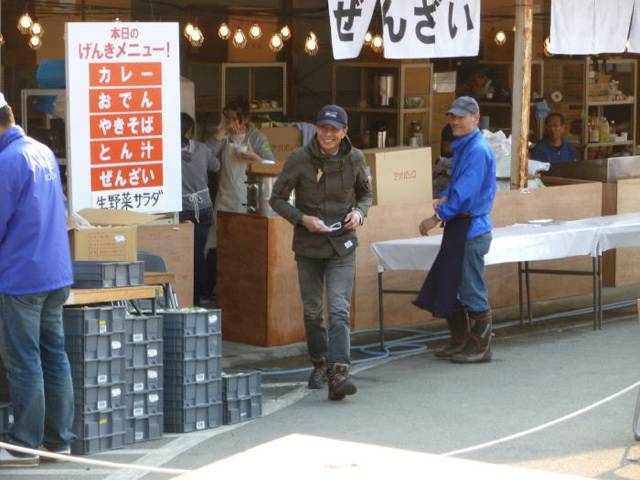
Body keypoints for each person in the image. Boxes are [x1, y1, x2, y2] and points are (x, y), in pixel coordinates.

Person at [269, 105, 372, 400]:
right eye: (323, 128)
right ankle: (320, 363)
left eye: (334, 129)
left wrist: (359, 213)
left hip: (343, 244)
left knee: (338, 309)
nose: (328, 134)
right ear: (316, 129)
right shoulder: (300, 159)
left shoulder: (355, 158)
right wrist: (302, 219)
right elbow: (277, 198)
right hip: (309, 245)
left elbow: (366, 194)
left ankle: (339, 373)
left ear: (344, 132)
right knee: (313, 312)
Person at [0, 94, 75, 466]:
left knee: (24, 359)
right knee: (54, 355)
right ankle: (58, 441)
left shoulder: (6, 162)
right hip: (54, 271)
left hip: (21, 276)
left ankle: (24, 443)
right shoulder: (41, 152)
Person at [416, 96, 497, 364]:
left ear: (476, 118)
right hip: (462, 225)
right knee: (451, 282)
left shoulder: (476, 150)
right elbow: (457, 186)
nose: (455, 121)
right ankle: (462, 340)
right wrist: (445, 196)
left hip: (471, 227)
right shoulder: (465, 147)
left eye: (461, 116)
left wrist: (436, 216)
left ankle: (480, 346)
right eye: (452, 116)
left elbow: (465, 194)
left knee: (470, 286)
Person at [205, 99, 274, 298]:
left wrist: (254, 158)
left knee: (243, 245)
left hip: (248, 200)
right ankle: (212, 291)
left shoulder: (258, 138)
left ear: (246, 118)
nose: (231, 122)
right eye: (226, 118)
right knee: (215, 244)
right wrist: (222, 132)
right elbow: (206, 156)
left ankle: (242, 290)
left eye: (234, 118)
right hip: (224, 197)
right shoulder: (223, 135)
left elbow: (271, 165)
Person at [180, 112, 220, 306]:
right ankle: (200, 295)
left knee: (184, 253)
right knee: (199, 252)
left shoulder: (165, 152)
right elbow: (216, 166)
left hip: (182, 209)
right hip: (203, 207)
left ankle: (187, 296)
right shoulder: (203, 149)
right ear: (190, 131)